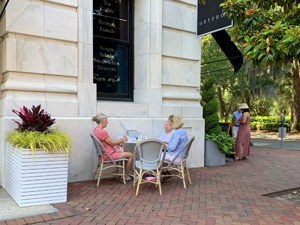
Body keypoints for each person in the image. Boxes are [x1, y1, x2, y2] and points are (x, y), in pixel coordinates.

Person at [92, 113, 133, 181]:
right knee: (131, 155)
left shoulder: (96, 130)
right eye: (106, 120)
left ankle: (123, 174)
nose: (107, 122)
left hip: (103, 154)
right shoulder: (102, 132)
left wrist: (120, 140)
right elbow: (113, 143)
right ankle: (125, 176)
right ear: (102, 121)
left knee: (126, 154)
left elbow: (110, 142)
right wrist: (122, 139)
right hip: (109, 155)